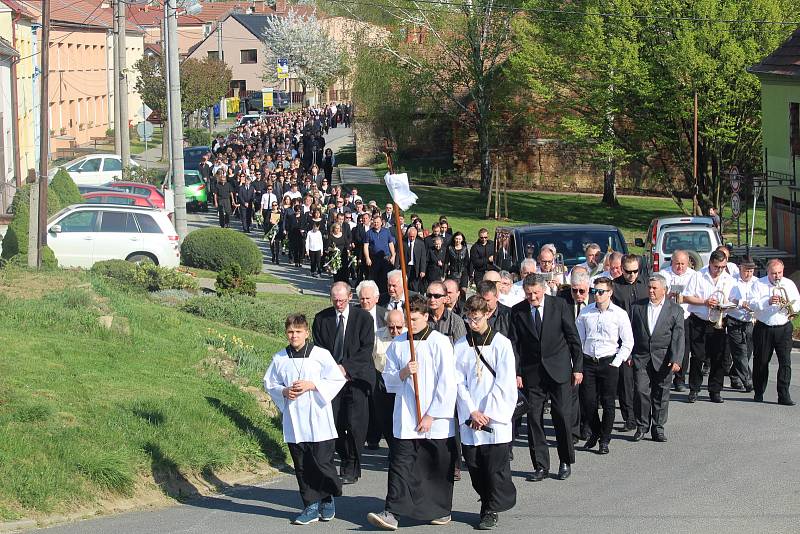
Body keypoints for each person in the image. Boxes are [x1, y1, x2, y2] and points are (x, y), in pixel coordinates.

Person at [367, 295, 457, 530]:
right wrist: (404, 372)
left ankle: (440, 509)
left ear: (426, 317)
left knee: (435, 466)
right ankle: (392, 511)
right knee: (400, 463)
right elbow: (388, 378)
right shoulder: (398, 343)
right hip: (407, 414)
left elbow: (448, 383)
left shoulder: (439, 342)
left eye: (415, 319)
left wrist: (432, 415)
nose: (411, 323)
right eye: (408, 318)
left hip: (434, 419)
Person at [263, 314, 346, 525]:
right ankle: (310, 505)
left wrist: (313, 385)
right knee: (301, 465)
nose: (294, 336)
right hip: (295, 420)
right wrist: (284, 391)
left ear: (306, 333)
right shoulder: (280, 358)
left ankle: (328, 497)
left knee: (322, 463)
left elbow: (336, 378)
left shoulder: (320, 354)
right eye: (290, 332)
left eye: (298, 332)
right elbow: (269, 383)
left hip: (318, 418)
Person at [509, 275, 583, 482]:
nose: (532, 297)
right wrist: (517, 372)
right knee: (534, 420)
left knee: (561, 416)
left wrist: (577, 368)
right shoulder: (518, 311)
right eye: (528, 293)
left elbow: (573, 339)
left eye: (536, 293)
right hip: (533, 374)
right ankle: (540, 465)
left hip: (559, 370)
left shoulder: (559, 305)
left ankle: (565, 460)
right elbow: (514, 345)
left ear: (543, 290)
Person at [455, 296, 518, 530]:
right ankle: (485, 499)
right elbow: (457, 381)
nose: (473, 323)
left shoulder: (501, 344)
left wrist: (487, 412)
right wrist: (472, 410)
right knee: (474, 465)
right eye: (469, 318)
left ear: (488, 315)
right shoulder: (461, 346)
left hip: (494, 417)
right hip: (471, 417)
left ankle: (489, 509)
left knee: (494, 466)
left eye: (477, 318)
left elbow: (505, 382)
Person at [312, 282, 376, 484]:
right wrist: (334, 370)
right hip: (332, 380)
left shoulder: (363, 318)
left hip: (356, 378)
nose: (338, 303)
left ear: (350, 297)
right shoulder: (322, 319)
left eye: (341, 300)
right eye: (334, 300)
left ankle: (352, 466)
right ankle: (343, 455)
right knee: (335, 422)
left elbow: (366, 349)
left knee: (355, 424)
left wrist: (346, 368)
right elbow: (320, 350)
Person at [575, 277, 633, 454]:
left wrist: (616, 363)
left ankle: (605, 440)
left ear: (610, 292)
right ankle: (596, 431)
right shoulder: (585, 313)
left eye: (601, 292)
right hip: (589, 361)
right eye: (595, 292)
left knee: (608, 402)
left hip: (609, 361)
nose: (597, 295)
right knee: (588, 401)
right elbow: (579, 340)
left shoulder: (619, 314)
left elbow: (628, 342)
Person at [629, 275, 684, 445]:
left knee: (661, 393)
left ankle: (658, 427)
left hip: (663, 358)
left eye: (655, 288)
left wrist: (676, 359)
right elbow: (629, 332)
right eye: (650, 287)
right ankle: (642, 426)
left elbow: (678, 336)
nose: (651, 291)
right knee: (640, 391)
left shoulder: (675, 310)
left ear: (664, 290)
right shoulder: (637, 307)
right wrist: (629, 354)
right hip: (641, 357)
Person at [681, 250, 735, 403]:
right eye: (717, 266)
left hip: (718, 320)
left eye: (723, 267)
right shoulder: (697, 276)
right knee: (698, 357)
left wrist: (726, 305)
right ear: (710, 263)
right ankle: (694, 389)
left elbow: (734, 300)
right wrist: (705, 302)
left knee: (718, 357)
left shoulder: (728, 279)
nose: (719, 270)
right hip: (699, 321)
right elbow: (686, 297)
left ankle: (715, 390)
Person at [749, 259, 798, 405]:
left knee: (785, 363)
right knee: (761, 362)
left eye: (779, 273)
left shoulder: (788, 284)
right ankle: (759, 392)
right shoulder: (759, 284)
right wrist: (768, 302)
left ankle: (784, 395)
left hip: (783, 327)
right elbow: (752, 304)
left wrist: (789, 306)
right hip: (764, 327)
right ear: (767, 272)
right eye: (773, 273)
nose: (777, 276)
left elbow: (797, 302)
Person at [611, 254, 648, 431]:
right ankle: (629, 418)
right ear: (622, 269)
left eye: (635, 271)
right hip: (623, 340)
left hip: (643, 339)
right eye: (628, 272)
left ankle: (643, 416)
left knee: (642, 383)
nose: (632, 275)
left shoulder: (646, 284)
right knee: (625, 383)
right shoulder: (615, 286)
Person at [557, 269, 594, 442]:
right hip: (570, 352)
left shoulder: (596, 300)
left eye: (582, 291)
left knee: (588, 394)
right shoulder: (562, 300)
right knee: (573, 392)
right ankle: (573, 431)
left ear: (589, 288)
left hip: (591, 353)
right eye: (574, 290)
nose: (577, 294)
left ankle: (587, 426)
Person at [368, 309, 406, 451]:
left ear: (404, 324)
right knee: (385, 419)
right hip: (382, 382)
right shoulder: (377, 336)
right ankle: (393, 447)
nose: (395, 331)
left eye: (399, 327)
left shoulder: (410, 336)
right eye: (391, 327)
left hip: (403, 383)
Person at [660, 250, 696, 392]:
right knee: (666, 347)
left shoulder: (694, 276)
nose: (680, 267)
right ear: (671, 262)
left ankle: (680, 379)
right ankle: (665, 376)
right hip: (667, 317)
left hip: (686, 316)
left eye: (683, 264)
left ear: (688, 263)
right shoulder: (664, 274)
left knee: (684, 349)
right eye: (677, 264)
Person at [726, 258, 758, 392]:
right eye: (746, 270)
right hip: (734, 319)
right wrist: (740, 303)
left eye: (751, 271)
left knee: (748, 352)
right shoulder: (731, 281)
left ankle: (734, 375)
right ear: (740, 268)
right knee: (739, 352)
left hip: (750, 321)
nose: (748, 274)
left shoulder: (757, 282)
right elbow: (726, 298)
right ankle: (748, 381)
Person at [364, 216, 396, 298]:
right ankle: (375, 295)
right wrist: (367, 258)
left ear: (381, 223)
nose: (376, 224)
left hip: (385, 258)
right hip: (374, 259)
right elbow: (365, 246)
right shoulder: (369, 233)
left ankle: (385, 295)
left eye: (378, 222)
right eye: (374, 222)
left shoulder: (386, 231)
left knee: (385, 277)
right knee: (374, 278)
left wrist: (393, 255)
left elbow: (390, 243)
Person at [403, 227, 428, 293]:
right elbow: (398, 256)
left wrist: (422, 270)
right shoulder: (403, 242)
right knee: (405, 285)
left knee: (415, 287)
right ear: (408, 235)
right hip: (406, 267)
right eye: (410, 236)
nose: (412, 238)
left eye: (413, 236)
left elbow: (423, 258)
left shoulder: (420, 243)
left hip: (415, 268)